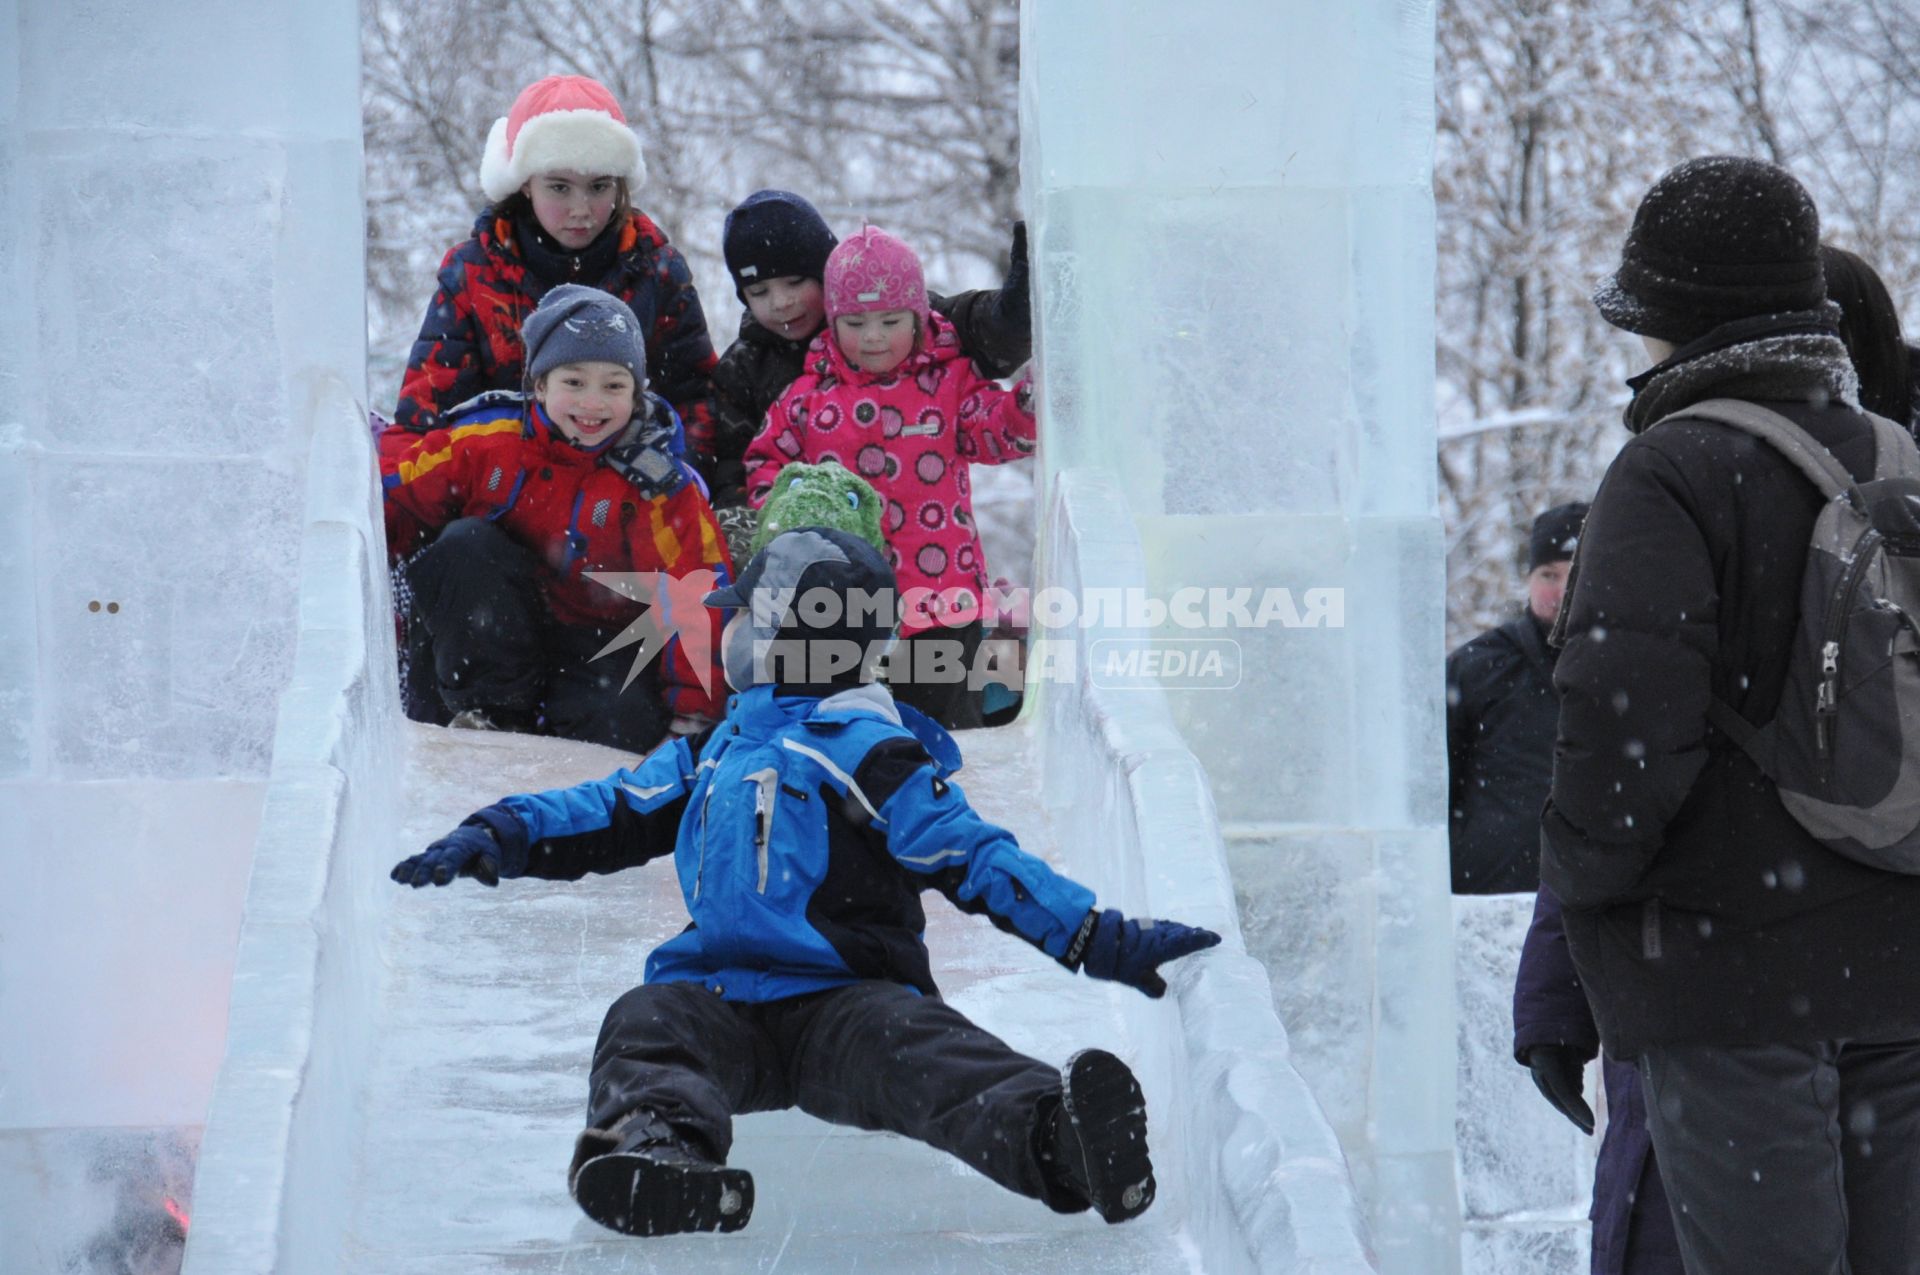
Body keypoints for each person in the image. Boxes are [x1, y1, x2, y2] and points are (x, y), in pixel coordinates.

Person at [388, 526, 1221, 1238]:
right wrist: (501, 829)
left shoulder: (866, 752)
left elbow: (977, 857)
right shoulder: (715, 750)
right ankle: (661, 1155)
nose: (729, 634)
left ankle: (1062, 1137)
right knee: (645, 1022)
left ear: (793, 634)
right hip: (717, 998)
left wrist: (1098, 936)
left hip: (845, 1002)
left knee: (927, 1056)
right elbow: (608, 806)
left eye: (746, 618)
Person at [1542, 154, 1920, 1273]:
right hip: (1901, 960)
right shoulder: (1898, 459)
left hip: (1730, 974)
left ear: (1678, 319)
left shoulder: (1674, 468)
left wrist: (1588, 906)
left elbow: (1619, 730)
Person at [383, 285, 728, 751]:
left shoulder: (659, 488)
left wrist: (694, 713)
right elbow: (396, 495)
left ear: (637, 393)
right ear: (539, 385)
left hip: (599, 645)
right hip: (493, 635)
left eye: (613, 386)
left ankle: (575, 768)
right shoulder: (489, 443)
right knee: (464, 546)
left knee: (620, 725)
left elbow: (697, 592)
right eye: (574, 382)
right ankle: (485, 719)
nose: (593, 404)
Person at [744, 225, 1036, 730]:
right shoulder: (807, 398)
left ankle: (956, 773)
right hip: (843, 607)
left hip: (942, 600)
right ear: (832, 323)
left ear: (919, 317)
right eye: (855, 322)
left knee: (946, 731)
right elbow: (766, 464)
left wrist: (1026, 407)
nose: (873, 337)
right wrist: (789, 511)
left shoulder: (949, 381)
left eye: (890, 320)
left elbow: (993, 432)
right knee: (856, 727)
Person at [393, 75, 719, 472]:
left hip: (630, 495)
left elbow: (697, 403)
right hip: (504, 496)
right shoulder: (472, 276)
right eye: (560, 187)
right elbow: (426, 418)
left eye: (599, 186)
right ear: (525, 184)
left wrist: (673, 486)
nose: (581, 209)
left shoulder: (657, 270)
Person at [710, 189, 1031, 555]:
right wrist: (757, 530)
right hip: (820, 560)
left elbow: (971, 327)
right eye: (759, 290)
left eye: (795, 282)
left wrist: (1013, 316)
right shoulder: (747, 368)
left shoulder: (885, 315)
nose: (781, 302)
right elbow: (739, 462)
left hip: (927, 560)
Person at [1445, 501, 1588, 894]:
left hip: (1597, 904)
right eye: (1548, 574)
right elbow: (1432, 785)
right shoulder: (1478, 666)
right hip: (1487, 892)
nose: (1561, 590)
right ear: (1528, 580)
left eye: (1577, 573)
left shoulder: (1637, 670)